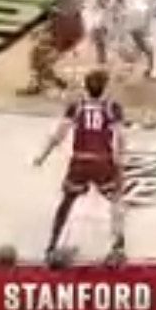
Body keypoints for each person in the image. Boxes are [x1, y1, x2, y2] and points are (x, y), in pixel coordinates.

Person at [33, 69, 127, 261]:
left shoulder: (76, 107)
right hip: (102, 160)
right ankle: (118, 247)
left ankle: (52, 244)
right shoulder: (112, 108)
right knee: (116, 199)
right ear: (105, 88)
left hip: (80, 161)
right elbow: (121, 137)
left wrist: (42, 156)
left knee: (66, 202)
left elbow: (59, 135)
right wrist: (120, 161)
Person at [23, 0, 85, 95]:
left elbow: (55, 14)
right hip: (69, 31)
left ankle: (44, 83)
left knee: (39, 58)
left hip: (65, 32)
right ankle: (51, 81)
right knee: (39, 57)